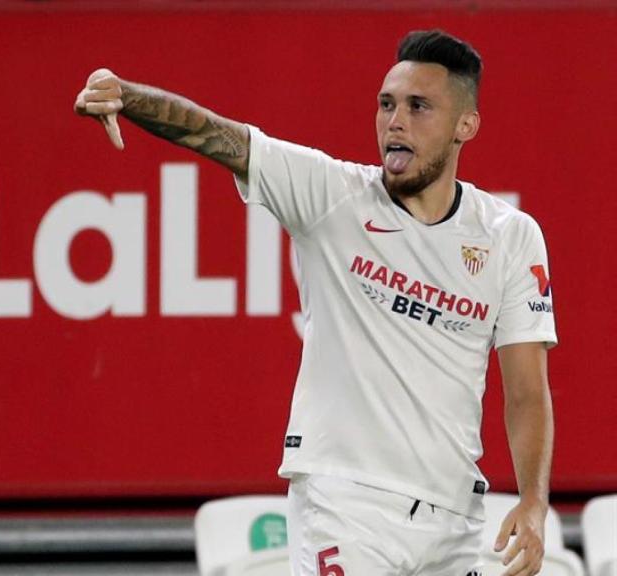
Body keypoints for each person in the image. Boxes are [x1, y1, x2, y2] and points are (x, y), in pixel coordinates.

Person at [74, 30, 556, 576]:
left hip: (455, 517)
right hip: (345, 506)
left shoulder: (511, 236)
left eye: (418, 107)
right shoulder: (331, 196)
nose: (394, 121)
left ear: (465, 125)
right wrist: (128, 97)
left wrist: (535, 503)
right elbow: (215, 136)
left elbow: (526, 392)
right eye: (386, 104)